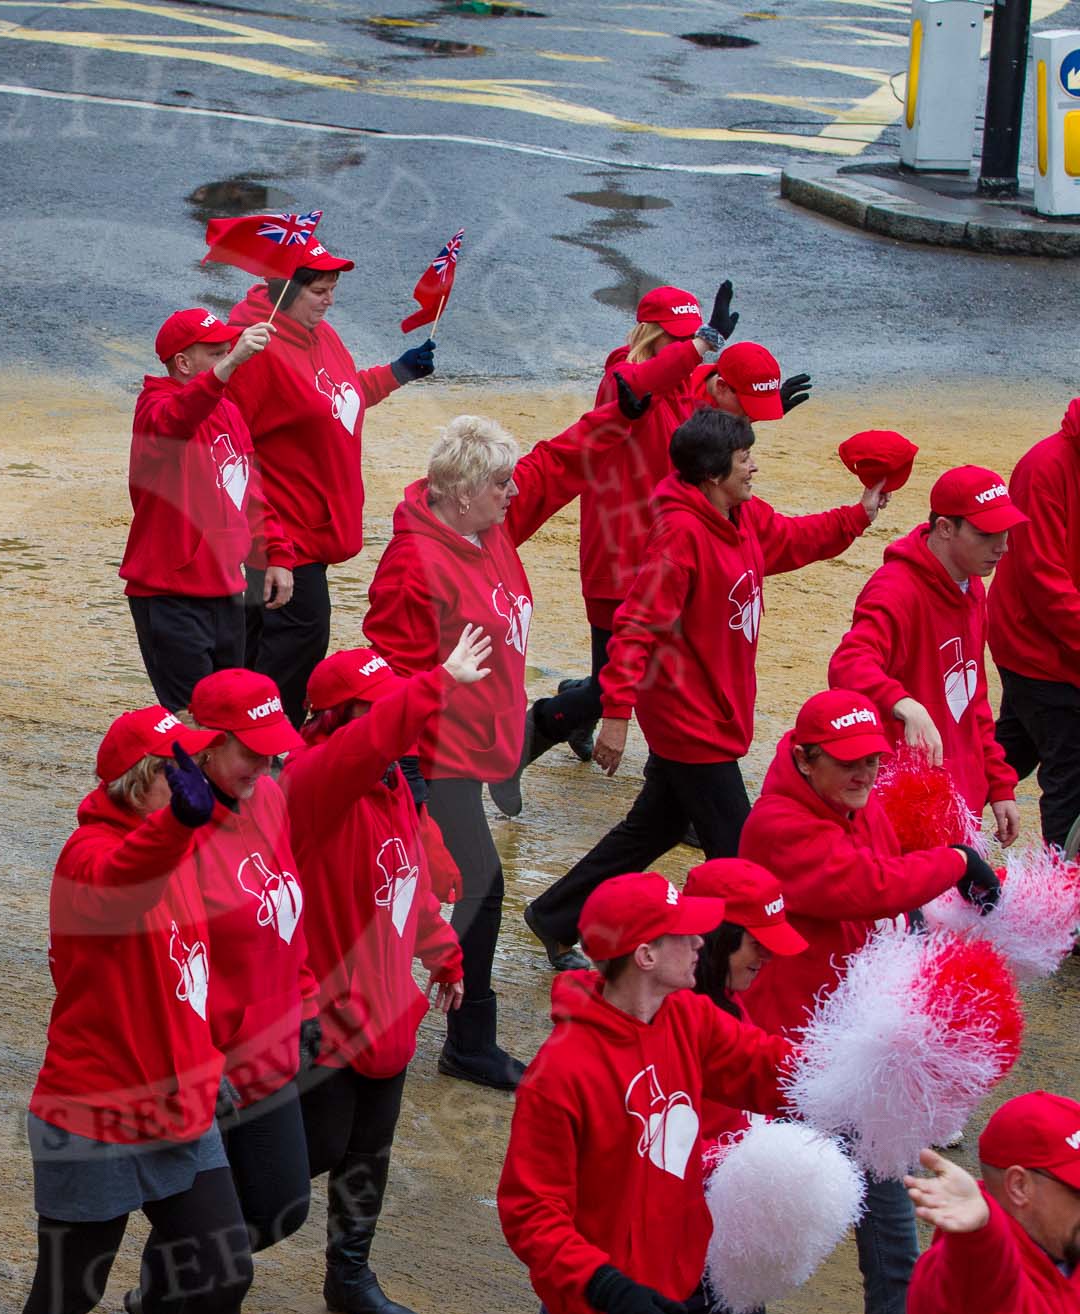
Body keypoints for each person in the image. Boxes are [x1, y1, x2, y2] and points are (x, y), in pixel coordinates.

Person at [522, 408, 883, 968]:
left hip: (714, 713)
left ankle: (555, 917)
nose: (753, 467)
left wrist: (856, 516)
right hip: (690, 722)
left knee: (652, 829)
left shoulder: (741, 515)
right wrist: (615, 714)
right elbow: (636, 627)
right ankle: (731, 972)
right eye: (744, 459)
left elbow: (792, 538)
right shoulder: (680, 536)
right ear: (713, 474)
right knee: (741, 861)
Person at [361, 393, 647, 1089]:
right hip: (438, 757)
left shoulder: (491, 524)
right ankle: (466, 1039)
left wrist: (627, 407)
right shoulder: (413, 564)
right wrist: (410, 778)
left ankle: (454, 1026)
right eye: (500, 484)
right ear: (462, 494)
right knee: (478, 885)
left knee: (468, 885)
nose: (513, 492)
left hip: (477, 744)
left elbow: (561, 460)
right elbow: (392, 677)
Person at [739, 689, 999, 1314]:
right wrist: (956, 861)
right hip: (791, 1066)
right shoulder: (776, 824)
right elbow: (867, 884)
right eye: (848, 761)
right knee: (748, 1244)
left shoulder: (859, 804)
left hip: (864, 1061)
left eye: (872, 760)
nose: (864, 773)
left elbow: (889, 892)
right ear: (805, 759)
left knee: (895, 1249)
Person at [14, 706, 253, 1314]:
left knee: (224, 1273)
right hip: (96, 1108)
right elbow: (124, 885)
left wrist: (208, 1057)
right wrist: (179, 823)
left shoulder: (180, 841)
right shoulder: (86, 857)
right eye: (179, 768)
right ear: (142, 779)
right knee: (68, 1296)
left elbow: (189, 969)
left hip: (179, 1100)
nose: (195, 776)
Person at [497, 872, 794, 1314]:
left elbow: (764, 1064)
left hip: (671, 1298)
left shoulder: (685, 1016)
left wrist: (868, 1070)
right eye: (684, 933)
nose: (700, 942)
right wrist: (612, 1291)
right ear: (646, 956)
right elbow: (530, 1212)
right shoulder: (560, 1072)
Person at [286, 636, 488, 1314]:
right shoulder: (312, 783)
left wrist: (444, 954)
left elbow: (411, 883)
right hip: (323, 1016)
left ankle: (349, 1275)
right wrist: (437, 683)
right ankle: (182, 1278)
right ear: (334, 720)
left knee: (368, 1154)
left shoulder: (394, 786)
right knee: (298, 1169)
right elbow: (366, 744)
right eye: (373, 709)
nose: (392, 724)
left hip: (384, 1012)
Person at [222, 234, 437, 724]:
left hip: (311, 532)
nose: (330, 300)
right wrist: (268, 545)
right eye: (319, 290)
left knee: (260, 650)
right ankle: (266, 742)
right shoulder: (257, 350)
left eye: (333, 288)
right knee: (297, 644)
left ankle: (240, 738)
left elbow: (339, 397)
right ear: (284, 290)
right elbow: (231, 452)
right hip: (281, 536)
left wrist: (398, 372)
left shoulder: (319, 334)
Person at [546, 283, 738, 765]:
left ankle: (580, 707)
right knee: (611, 683)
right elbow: (645, 381)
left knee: (644, 673)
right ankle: (538, 728)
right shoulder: (622, 378)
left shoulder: (682, 387)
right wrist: (704, 344)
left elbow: (712, 426)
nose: (686, 346)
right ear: (650, 335)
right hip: (616, 550)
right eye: (678, 337)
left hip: (661, 548)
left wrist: (758, 403)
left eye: (689, 336)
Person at [184, 668, 317, 1255]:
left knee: (279, 1205)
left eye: (272, 752)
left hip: (271, 1042)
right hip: (206, 1060)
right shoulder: (174, 827)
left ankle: (167, 1290)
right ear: (207, 745)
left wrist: (306, 1000)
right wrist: (193, 1060)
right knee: (208, 1228)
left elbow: (287, 905)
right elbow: (161, 962)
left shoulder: (267, 797)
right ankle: (169, 1304)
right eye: (251, 752)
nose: (265, 766)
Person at [829, 464, 1027, 846]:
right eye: (986, 534)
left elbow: (973, 699)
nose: (1002, 546)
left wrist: (1000, 786)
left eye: (1005, 532)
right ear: (946, 528)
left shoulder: (972, 586)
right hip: (906, 810)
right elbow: (848, 664)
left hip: (957, 803)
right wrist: (904, 704)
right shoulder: (896, 590)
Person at [120, 309, 291, 712]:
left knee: (230, 714)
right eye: (216, 353)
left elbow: (249, 494)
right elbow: (178, 419)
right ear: (183, 362)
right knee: (194, 719)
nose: (228, 357)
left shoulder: (227, 410)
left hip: (226, 589)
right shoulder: (154, 409)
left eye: (227, 350)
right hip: (170, 594)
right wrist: (228, 368)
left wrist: (277, 554)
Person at [680, 856, 810, 1314]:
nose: (768, 958)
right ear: (718, 938)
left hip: (724, 1237)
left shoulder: (729, 1001)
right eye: (758, 944)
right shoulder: (672, 1017)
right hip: (677, 1239)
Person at [905, 1090, 1080, 1314]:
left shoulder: (1064, 1243)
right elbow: (984, 1290)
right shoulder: (963, 1283)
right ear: (1019, 1186)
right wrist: (979, 1237)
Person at [988, 397, 1080, 849]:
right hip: (1037, 648)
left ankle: (925, 813)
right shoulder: (1044, 468)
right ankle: (1065, 886)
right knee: (1071, 769)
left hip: (1057, 644)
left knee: (1010, 751)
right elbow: (1043, 579)